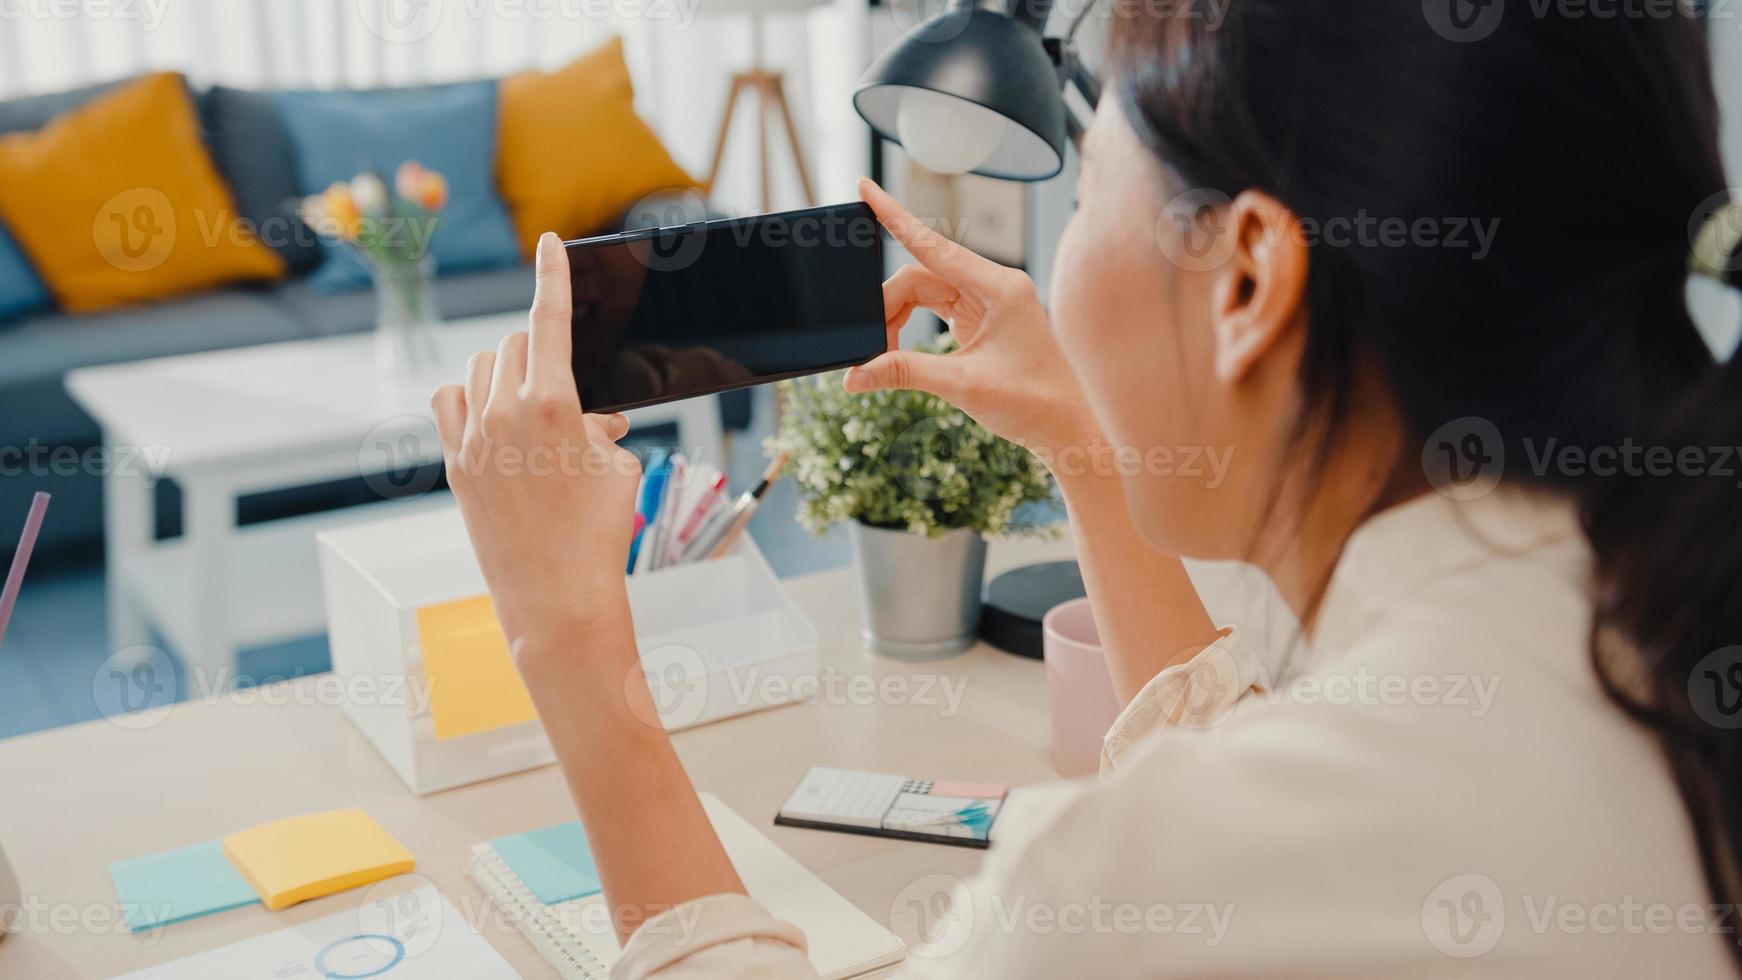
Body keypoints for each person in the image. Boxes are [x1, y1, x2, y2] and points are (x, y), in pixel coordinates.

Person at [429, 2, 1742, 975]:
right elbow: (1268, 809)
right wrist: (1093, 447)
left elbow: (1214, 848)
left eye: (1090, 181)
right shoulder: (1635, 622)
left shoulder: (1120, 878)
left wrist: (568, 639)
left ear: (1242, 284)